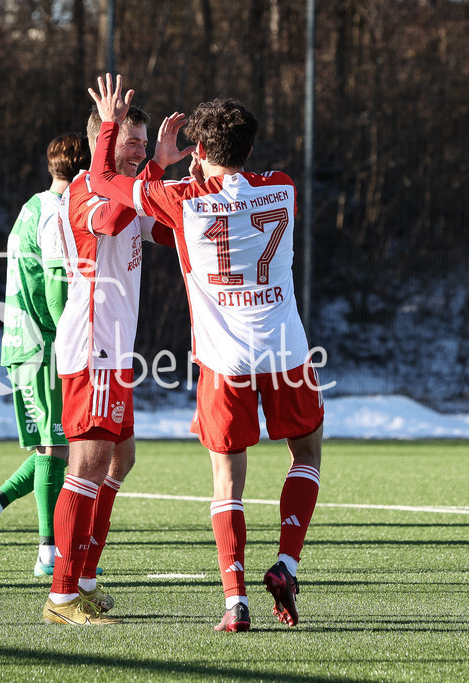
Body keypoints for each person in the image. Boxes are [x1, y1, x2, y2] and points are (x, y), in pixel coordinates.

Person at [87, 74, 325, 632]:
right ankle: (287, 564)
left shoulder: (182, 201)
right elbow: (246, 186)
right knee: (307, 454)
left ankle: (234, 602)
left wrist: (147, 152)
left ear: (198, 150)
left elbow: (101, 179)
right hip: (286, 351)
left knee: (228, 478)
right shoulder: (283, 187)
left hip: (225, 361)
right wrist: (205, 168)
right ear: (248, 147)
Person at [41, 102, 182, 626]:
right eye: (131, 142)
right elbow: (116, 215)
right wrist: (155, 173)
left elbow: (161, 230)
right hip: (93, 347)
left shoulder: (125, 185)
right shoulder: (86, 190)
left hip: (116, 352)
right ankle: (61, 594)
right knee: (86, 467)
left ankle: (85, 579)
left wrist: (197, 200)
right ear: (104, 141)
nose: (141, 151)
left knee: (121, 462)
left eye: (145, 143)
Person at [0, 133, 90, 576]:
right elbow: (54, 292)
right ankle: (47, 553)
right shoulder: (58, 213)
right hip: (45, 343)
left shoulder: (32, 205)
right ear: (84, 170)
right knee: (57, 446)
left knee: (55, 445)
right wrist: (76, 339)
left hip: (23, 340)